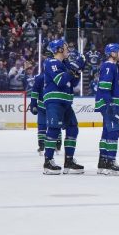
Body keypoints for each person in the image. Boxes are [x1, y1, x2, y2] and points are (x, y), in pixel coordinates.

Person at [42, 39, 85, 175]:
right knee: (54, 129)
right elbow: (60, 81)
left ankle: (69, 160)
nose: (68, 50)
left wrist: (78, 69)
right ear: (59, 49)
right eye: (66, 47)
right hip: (55, 101)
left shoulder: (65, 64)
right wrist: (73, 67)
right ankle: (48, 162)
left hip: (66, 102)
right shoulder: (51, 63)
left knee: (73, 128)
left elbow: (74, 82)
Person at [95, 43, 119, 176]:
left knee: (107, 131)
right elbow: (104, 86)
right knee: (114, 131)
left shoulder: (113, 66)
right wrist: (111, 104)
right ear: (112, 53)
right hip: (109, 104)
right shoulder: (109, 66)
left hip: (112, 103)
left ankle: (103, 162)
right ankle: (110, 161)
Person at [28, 49, 60, 155]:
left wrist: (33, 104)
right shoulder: (57, 75)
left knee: (42, 124)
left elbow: (34, 92)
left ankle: (42, 145)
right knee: (55, 124)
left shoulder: (40, 77)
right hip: (53, 104)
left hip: (43, 105)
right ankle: (57, 144)